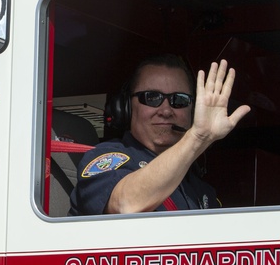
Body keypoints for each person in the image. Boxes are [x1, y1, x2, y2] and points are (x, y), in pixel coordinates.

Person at [69, 56, 250, 215]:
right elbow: (125, 203)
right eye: (152, 97)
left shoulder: (200, 188)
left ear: (193, 111)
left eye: (179, 100)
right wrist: (197, 137)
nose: (166, 110)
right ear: (126, 107)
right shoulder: (105, 157)